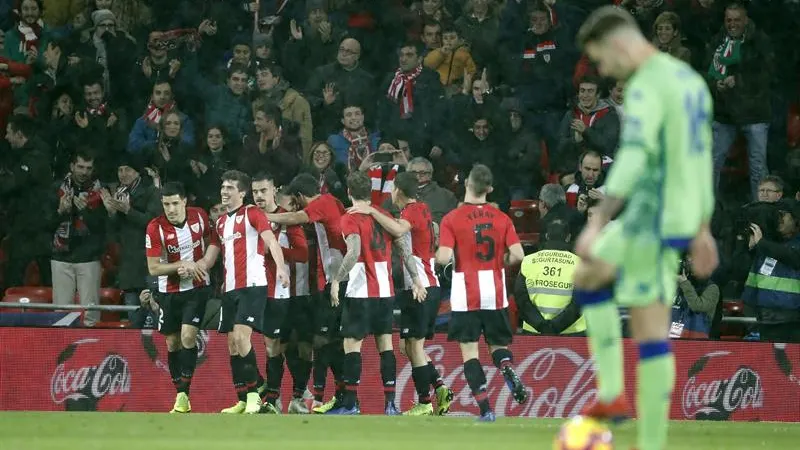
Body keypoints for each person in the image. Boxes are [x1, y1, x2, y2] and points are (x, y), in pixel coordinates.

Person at [571, 8, 719, 450]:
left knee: (588, 272)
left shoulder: (646, 86)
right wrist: (703, 227)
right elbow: (700, 160)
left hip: (650, 219)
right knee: (652, 329)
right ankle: (651, 441)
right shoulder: (690, 82)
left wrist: (597, 219)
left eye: (600, 59)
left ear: (617, 43)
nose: (602, 70)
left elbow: (634, 156)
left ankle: (612, 394)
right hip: (678, 220)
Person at [347, 171, 454, 416]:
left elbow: (397, 229)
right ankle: (438, 386)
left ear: (398, 190)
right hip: (426, 284)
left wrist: (372, 211)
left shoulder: (412, 211)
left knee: (413, 347)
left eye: (393, 189)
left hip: (421, 286)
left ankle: (425, 402)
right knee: (408, 347)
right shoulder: (424, 208)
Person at [325, 171, 425, 415]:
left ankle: (350, 404)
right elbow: (404, 251)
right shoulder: (386, 216)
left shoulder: (349, 218)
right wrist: (415, 279)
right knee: (385, 345)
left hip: (360, 292)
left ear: (348, 192)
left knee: (351, 345)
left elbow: (354, 251)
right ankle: (390, 404)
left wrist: (337, 280)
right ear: (369, 193)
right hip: (385, 291)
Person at [434, 164, 528, 422]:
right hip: (495, 291)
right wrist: (502, 260)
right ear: (490, 189)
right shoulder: (502, 218)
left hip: (466, 294)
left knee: (470, 352)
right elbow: (519, 254)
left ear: (466, 184)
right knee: (498, 345)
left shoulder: (452, 219)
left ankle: (486, 410)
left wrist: (439, 255)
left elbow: (443, 257)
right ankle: (506, 367)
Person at [196, 170, 290, 415]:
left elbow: (271, 240)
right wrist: (194, 266)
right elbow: (210, 257)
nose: (224, 191)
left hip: (252, 286)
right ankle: (243, 396)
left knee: (241, 338)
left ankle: (254, 395)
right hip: (230, 289)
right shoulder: (220, 222)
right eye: (223, 187)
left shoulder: (252, 213)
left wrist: (280, 268)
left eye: (229, 188)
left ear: (242, 192)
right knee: (232, 345)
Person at [266, 173, 347, 413]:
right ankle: (337, 396)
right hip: (333, 280)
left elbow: (295, 217)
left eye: (296, 200)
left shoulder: (321, 203)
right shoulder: (333, 203)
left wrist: (263, 217)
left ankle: (323, 398)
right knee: (327, 342)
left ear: (300, 196)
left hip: (338, 281)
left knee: (324, 341)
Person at [144, 182, 214, 413]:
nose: (171, 209)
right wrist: (178, 266)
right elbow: (153, 268)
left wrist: (202, 264)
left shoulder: (200, 216)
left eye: (175, 203)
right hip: (169, 292)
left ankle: (184, 391)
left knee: (187, 336)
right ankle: (181, 394)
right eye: (166, 204)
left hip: (197, 288)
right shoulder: (155, 228)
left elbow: (214, 242)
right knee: (172, 342)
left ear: (185, 201)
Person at [251, 173, 311, 414]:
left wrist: (274, 251)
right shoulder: (249, 217)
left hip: (284, 293)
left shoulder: (287, 220)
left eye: (263, 191)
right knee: (253, 342)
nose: (259, 196)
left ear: (274, 190)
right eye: (255, 192)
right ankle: (268, 393)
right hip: (255, 291)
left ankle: (290, 396)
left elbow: (302, 254)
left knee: (282, 346)